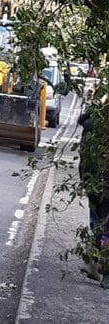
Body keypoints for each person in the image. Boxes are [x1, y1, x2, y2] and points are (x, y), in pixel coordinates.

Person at [78, 92, 109, 283]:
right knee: (105, 224)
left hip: (91, 180)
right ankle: (102, 266)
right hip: (105, 182)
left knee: (96, 219)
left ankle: (93, 262)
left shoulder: (90, 124)